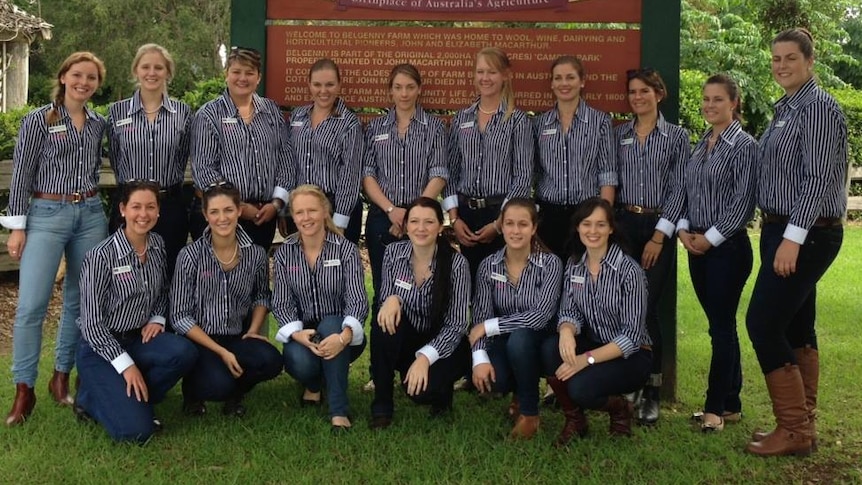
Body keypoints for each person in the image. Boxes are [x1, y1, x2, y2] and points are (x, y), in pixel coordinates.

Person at [745, 28, 847, 457]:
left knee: (763, 323)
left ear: (810, 62)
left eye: (790, 58)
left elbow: (819, 179)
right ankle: (801, 425)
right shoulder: (786, 108)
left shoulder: (820, 108)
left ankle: (793, 429)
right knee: (797, 326)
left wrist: (793, 238)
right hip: (779, 228)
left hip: (807, 232)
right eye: (775, 58)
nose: (781, 65)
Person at [3, 52, 109, 426]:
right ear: (64, 77)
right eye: (77, 75)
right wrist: (18, 226)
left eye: (92, 77)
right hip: (46, 215)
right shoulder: (39, 120)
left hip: (91, 214)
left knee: (80, 302)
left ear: (97, 83)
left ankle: (61, 377)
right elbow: (22, 175)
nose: (84, 82)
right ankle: (23, 390)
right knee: (31, 305)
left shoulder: (98, 123)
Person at [74, 182, 198, 443]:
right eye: (136, 207)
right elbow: (92, 324)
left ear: (158, 211)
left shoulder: (157, 245)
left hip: (138, 339)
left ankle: (129, 400)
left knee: (183, 352)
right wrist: (126, 365)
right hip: (100, 347)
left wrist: (157, 318)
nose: (144, 214)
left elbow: (163, 290)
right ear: (122, 209)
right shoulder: (100, 257)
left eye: (150, 207)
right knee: (135, 433)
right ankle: (91, 398)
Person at [676, 74, 757, 432]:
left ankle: (713, 408)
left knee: (721, 328)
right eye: (706, 99)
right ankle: (732, 403)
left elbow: (743, 204)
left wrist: (708, 238)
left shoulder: (744, 146)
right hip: (695, 248)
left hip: (728, 249)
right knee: (718, 327)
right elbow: (685, 191)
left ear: (734, 103)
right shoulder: (701, 143)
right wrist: (681, 230)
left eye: (718, 100)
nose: (710, 105)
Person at [362, 63, 448, 391]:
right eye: (397, 87)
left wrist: (413, 214)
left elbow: (439, 172)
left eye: (410, 87)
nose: (403, 93)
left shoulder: (434, 128)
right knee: (385, 292)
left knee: (421, 290)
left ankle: (415, 363)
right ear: (390, 91)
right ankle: (379, 370)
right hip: (385, 217)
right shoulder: (376, 127)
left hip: (420, 219)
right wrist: (391, 210)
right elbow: (367, 174)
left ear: (419, 89)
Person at [541, 197, 652, 446]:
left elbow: (631, 337)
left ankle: (621, 409)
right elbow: (569, 311)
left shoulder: (629, 270)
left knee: (580, 388)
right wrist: (567, 332)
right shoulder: (574, 265)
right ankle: (575, 420)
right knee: (550, 348)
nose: (593, 231)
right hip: (593, 341)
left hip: (631, 356)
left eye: (600, 225)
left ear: (611, 228)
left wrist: (585, 359)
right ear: (578, 227)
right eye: (586, 224)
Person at [614, 67, 690, 425]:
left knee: (648, 309)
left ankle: (653, 390)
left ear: (659, 94)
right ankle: (629, 382)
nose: (638, 97)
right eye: (632, 92)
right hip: (625, 224)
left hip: (659, 225)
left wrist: (660, 236)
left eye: (644, 91)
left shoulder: (676, 137)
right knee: (625, 307)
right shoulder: (620, 135)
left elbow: (679, 190)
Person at [171, 183, 282, 417]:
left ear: (239, 211)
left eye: (228, 210)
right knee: (217, 385)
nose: (222, 218)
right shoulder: (190, 256)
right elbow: (179, 316)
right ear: (205, 215)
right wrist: (220, 352)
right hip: (201, 340)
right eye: (214, 212)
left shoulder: (255, 253)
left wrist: (253, 330)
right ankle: (194, 391)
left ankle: (235, 393)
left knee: (271, 361)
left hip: (237, 335)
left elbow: (262, 295)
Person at [272, 185, 368, 432]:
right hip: (304, 336)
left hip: (341, 333)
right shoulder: (284, 254)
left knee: (330, 324)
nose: (306, 218)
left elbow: (357, 299)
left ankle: (338, 410)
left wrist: (344, 336)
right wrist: (297, 335)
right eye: (300, 212)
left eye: (312, 210)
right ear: (293, 216)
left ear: (325, 211)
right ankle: (314, 383)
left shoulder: (345, 249)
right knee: (300, 362)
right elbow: (282, 303)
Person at [370, 197, 471, 428]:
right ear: (405, 226)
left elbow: (456, 326)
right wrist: (392, 299)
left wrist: (425, 357)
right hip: (407, 337)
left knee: (420, 392)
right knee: (382, 322)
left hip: (444, 345)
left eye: (428, 222)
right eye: (414, 221)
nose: (421, 228)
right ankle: (382, 406)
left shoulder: (456, 264)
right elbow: (385, 297)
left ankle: (442, 394)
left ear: (440, 227)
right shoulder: (393, 253)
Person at [469, 198, 562, 439]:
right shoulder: (488, 265)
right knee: (494, 380)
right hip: (504, 341)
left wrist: (492, 325)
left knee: (520, 340)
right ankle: (518, 392)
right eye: (509, 223)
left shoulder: (550, 264)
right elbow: (480, 317)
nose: (515, 230)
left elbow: (541, 316)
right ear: (501, 226)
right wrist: (479, 358)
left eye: (523, 224)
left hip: (543, 339)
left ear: (534, 228)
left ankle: (530, 414)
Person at [190, 46, 293, 252]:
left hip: (264, 216)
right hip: (222, 216)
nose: (242, 78)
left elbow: (286, 159)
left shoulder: (271, 111)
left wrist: (277, 203)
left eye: (249, 73)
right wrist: (237, 206)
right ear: (226, 74)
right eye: (236, 72)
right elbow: (204, 170)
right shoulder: (209, 115)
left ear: (259, 77)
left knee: (256, 278)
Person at [443, 47, 534, 278]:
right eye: (480, 72)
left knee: (499, 282)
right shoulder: (462, 118)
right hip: (465, 215)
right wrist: (454, 219)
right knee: (470, 283)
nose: (485, 78)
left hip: (502, 214)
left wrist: (499, 224)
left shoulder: (517, 120)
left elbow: (523, 176)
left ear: (506, 75)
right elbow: (451, 171)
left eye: (492, 72)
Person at [107, 44, 193, 278]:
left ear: (168, 72)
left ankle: (165, 316)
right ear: (136, 70)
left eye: (158, 67)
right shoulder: (117, 113)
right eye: (145, 67)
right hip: (130, 207)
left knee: (169, 272)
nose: (151, 73)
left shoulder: (183, 113)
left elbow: (184, 154)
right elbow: (116, 157)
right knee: (127, 273)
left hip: (169, 206)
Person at [534, 55, 616, 260]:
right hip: (549, 215)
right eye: (558, 78)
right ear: (551, 83)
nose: (564, 83)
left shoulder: (600, 122)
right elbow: (532, 172)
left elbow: (607, 173)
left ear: (582, 81)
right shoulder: (539, 124)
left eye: (570, 77)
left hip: (587, 214)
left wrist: (602, 219)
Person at [288, 59, 364, 244]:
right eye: (317, 85)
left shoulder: (349, 123)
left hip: (334, 208)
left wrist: (339, 222)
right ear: (309, 84)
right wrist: (285, 209)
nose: (323, 91)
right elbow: (288, 162)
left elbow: (350, 175)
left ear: (339, 85)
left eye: (329, 84)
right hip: (300, 208)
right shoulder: (297, 116)